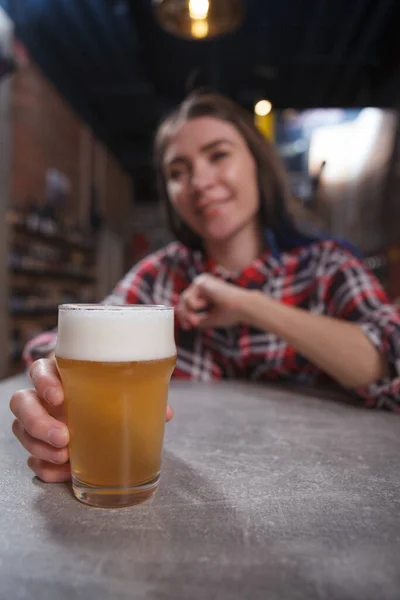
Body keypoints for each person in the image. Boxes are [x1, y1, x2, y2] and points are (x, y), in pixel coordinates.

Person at [10, 92, 400, 483]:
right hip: (184, 491)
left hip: (327, 480)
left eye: (218, 155)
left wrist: (248, 304)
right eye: (178, 171)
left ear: (257, 163)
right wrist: (53, 390)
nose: (199, 181)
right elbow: (67, 339)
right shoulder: (162, 274)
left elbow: (387, 357)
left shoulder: (328, 266)